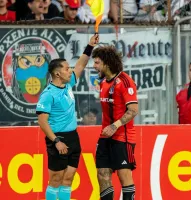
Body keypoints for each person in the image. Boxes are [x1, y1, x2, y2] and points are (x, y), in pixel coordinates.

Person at [36, 34, 99, 200]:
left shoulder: (68, 83)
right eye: (66, 68)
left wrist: (90, 46)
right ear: (57, 74)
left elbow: (80, 65)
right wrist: (56, 141)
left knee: (68, 179)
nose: (70, 70)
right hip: (58, 139)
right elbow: (42, 122)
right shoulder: (48, 95)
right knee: (55, 179)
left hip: (73, 137)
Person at [92, 46, 138, 200]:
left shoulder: (125, 81)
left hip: (122, 137)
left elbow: (133, 110)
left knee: (124, 175)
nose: (94, 66)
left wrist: (115, 126)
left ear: (107, 63)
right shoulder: (103, 82)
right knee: (102, 174)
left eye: (97, 63)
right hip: (105, 136)